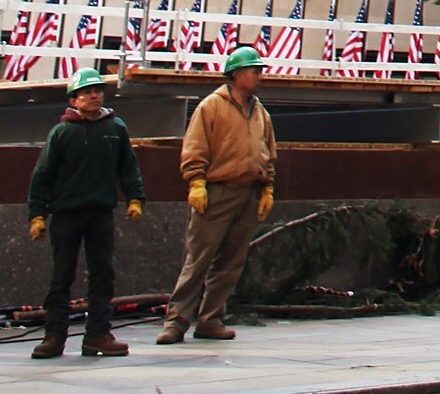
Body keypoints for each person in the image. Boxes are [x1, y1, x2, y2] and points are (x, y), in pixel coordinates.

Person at [160, 45, 277, 345]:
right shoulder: (210, 107)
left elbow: (268, 152)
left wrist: (267, 187)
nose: (260, 76)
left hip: (248, 193)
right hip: (216, 192)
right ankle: (176, 321)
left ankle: (211, 319)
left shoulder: (261, 113)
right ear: (236, 74)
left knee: (231, 262)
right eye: (255, 70)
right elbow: (195, 147)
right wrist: (197, 182)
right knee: (198, 259)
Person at [27, 69, 147, 357]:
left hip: (100, 214)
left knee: (102, 275)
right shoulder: (62, 132)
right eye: (86, 92)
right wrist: (37, 215)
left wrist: (135, 198)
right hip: (66, 215)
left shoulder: (115, 128)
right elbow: (42, 176)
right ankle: (54, 336)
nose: (94, 96)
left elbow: (128, 168)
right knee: (61, 277)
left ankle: (98, 334)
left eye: (97, 91)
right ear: (73, 100)